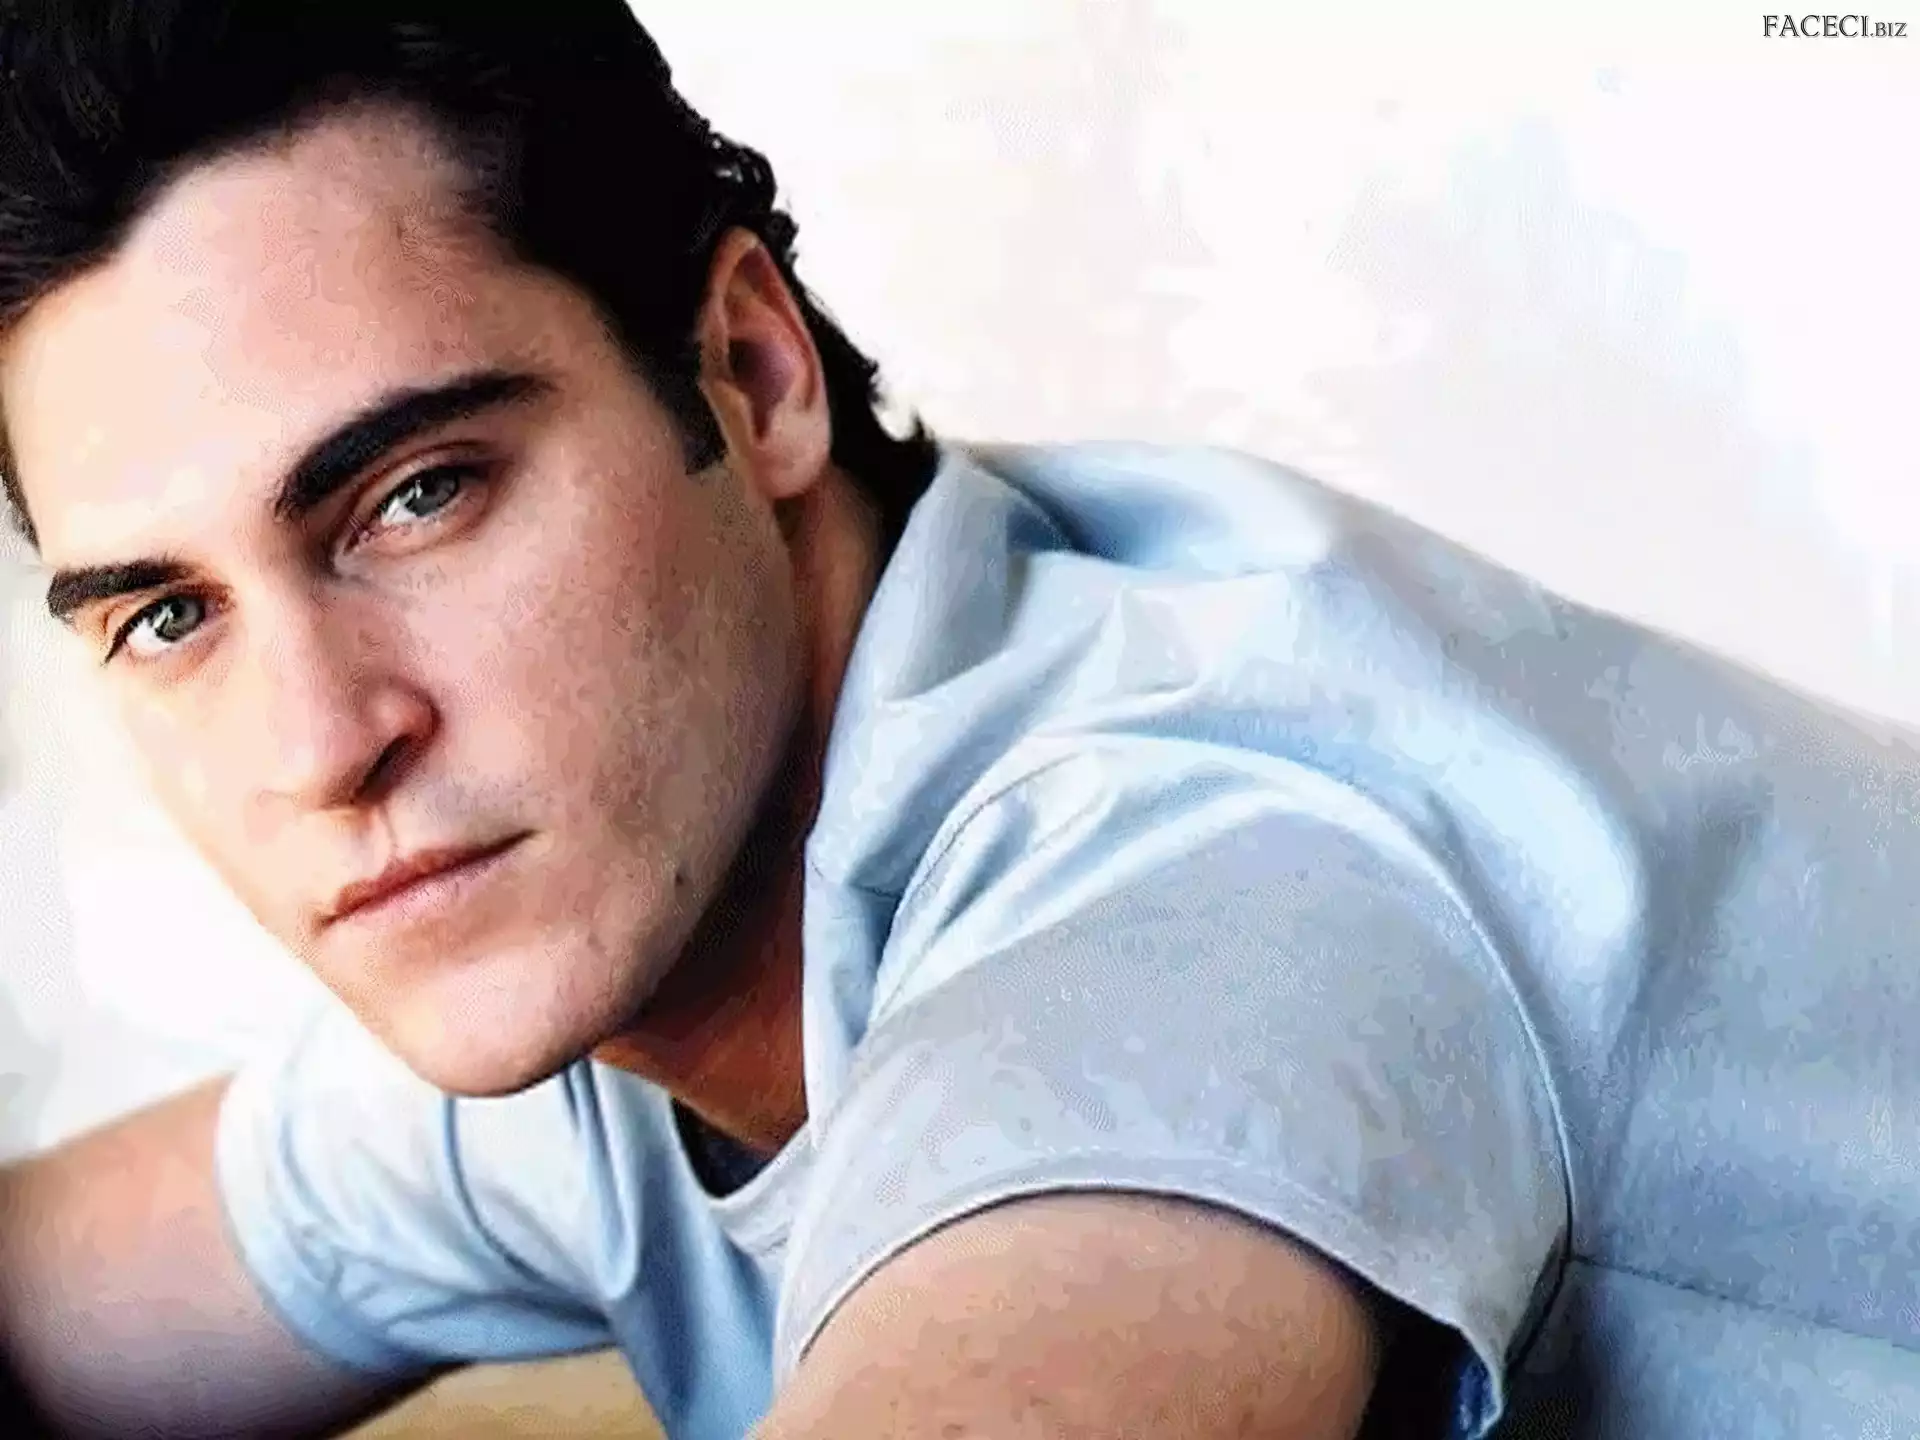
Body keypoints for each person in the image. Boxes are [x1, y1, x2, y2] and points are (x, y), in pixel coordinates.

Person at [0, 3, 1912, 1437]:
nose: (321, 747)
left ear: (751, 374)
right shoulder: (622, 905)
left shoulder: (1200, 895)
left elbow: (1123, 1100)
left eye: (417, 497)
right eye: (168, 615)